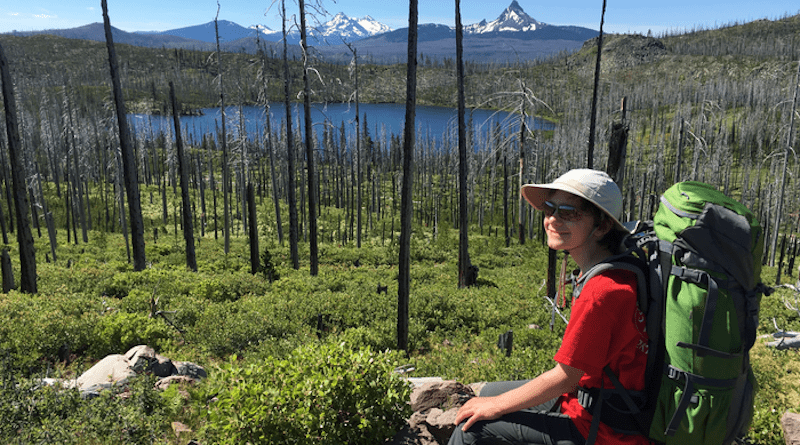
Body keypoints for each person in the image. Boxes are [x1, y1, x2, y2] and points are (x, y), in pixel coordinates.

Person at [448, 169, 650, 445]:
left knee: (470, 432)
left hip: (603, 429)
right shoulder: (617, 268)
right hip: (600, 400)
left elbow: (566, 378)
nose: (552, 219)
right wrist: (493, 401)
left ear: (602, 226)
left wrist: (495, 406)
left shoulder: (603, 291)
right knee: (487, 395)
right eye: (550, 208)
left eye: (569, 212)